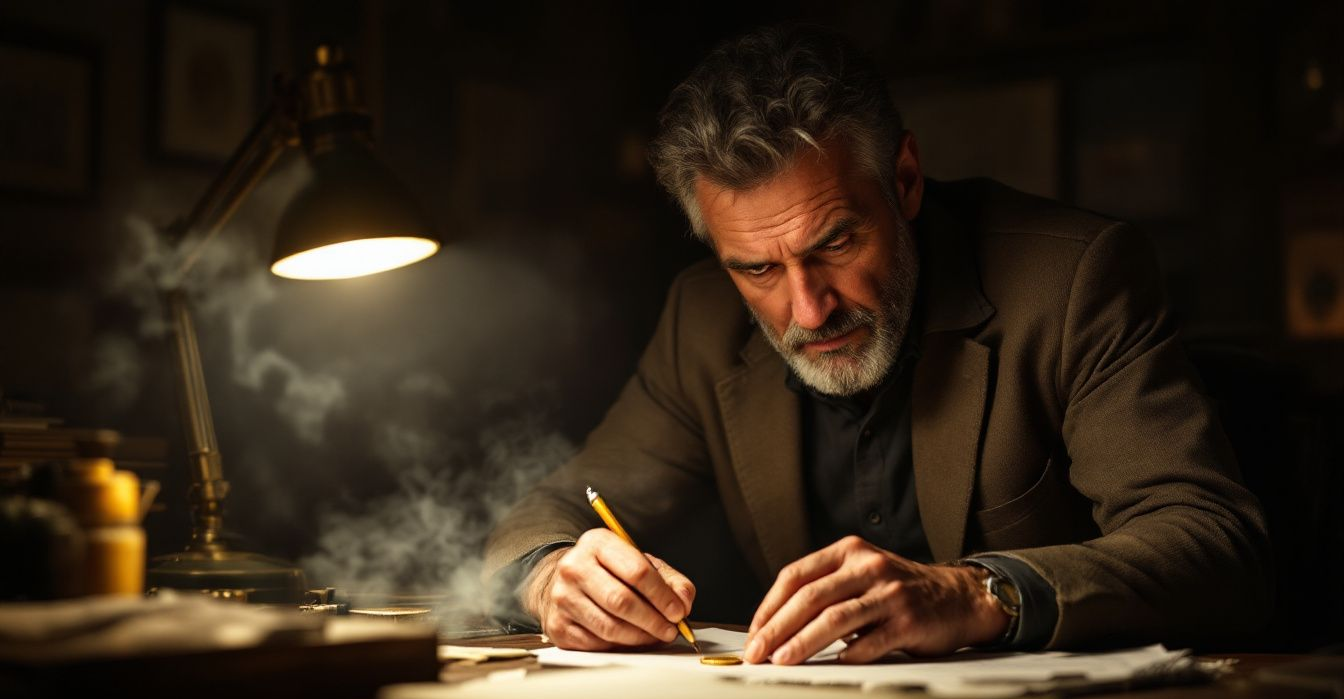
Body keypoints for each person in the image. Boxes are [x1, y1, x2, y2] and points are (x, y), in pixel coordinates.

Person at [483, 24, 1271, 663]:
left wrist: (973, 594)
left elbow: (1213, 541)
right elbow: (540, 517)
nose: (808, 307)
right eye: (757, 267)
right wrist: (554, 575)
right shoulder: (702, 319)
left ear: (906, 179)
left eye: (834, 243)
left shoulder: (1073, 280)